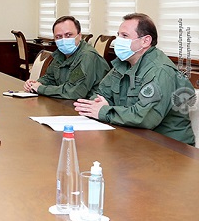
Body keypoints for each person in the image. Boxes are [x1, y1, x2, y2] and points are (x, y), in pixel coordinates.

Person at [74, 13, 195, 145]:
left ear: (145, 41)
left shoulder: (160, 71)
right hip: (133, 136)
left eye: (124, 36)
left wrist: (104, 111)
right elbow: (99, 95)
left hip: (170, 147)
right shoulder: (123, 63)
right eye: (118, 35)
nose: (117, 40)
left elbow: (145, 118)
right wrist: (98, 106)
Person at [23, 16, 110, 99]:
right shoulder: (60, 54)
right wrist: (35, 84)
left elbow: (74, 92)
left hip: (88, 107)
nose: (64, 40)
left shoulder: (87, 56)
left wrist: (40, 88)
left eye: (68, 35)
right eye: (58, 37)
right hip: (66, 103)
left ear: (79, 36)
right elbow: (50, 78)